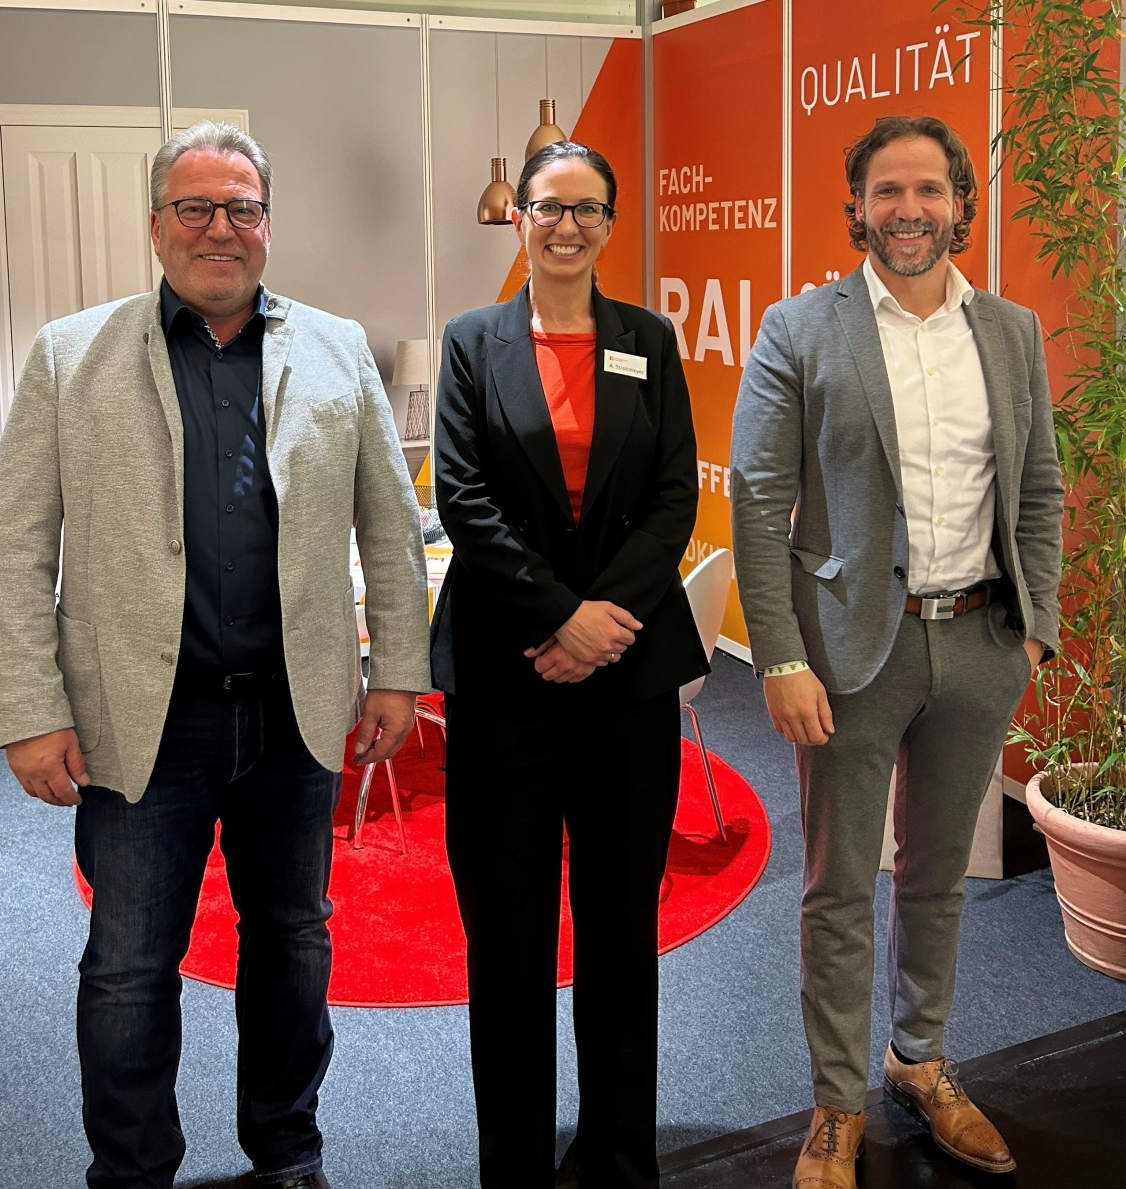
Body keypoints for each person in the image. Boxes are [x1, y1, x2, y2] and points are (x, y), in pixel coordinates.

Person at [0, 120, 430, 1189]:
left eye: (242, 208)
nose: (219, 228)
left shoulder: (337, 350)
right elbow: (13, 548)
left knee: (293, 943)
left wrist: (400, 670)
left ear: (268, 223)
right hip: (143, 722)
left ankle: (287, 1151)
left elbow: (390, 526)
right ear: (156, 225)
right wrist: (30, 709)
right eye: (195, 207)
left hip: (292, 712)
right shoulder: (70, 356)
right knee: (129, 969)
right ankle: (132, 1172)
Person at [731, 115, 1064, 1188]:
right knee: (838, 887)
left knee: (937, 875)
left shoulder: (1009, 330)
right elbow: (759, 500)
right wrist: (779, 656)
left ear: (962, 203)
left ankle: (919, 1060)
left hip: (980, 641)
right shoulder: (800, 327)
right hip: (845, 655)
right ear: (858, 207)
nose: (908, 209)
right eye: (887, 190)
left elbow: (1040, 487)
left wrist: (1036, 628)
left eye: (928, 190)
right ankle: (836, 1104)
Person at [431, 140, 708, 1189]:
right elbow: (463, 497)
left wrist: (602, 621)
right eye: (548, 207)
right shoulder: (473, 342)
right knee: (507, 935)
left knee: (620, 928)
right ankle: (514, 1165)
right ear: (520, 218)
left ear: (610, 223)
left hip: (627, 676)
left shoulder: (648, 339)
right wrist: (558, 617)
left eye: (588, 209)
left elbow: (675, 496)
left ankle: (620, 1158)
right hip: (507, 672)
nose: (567, 226)